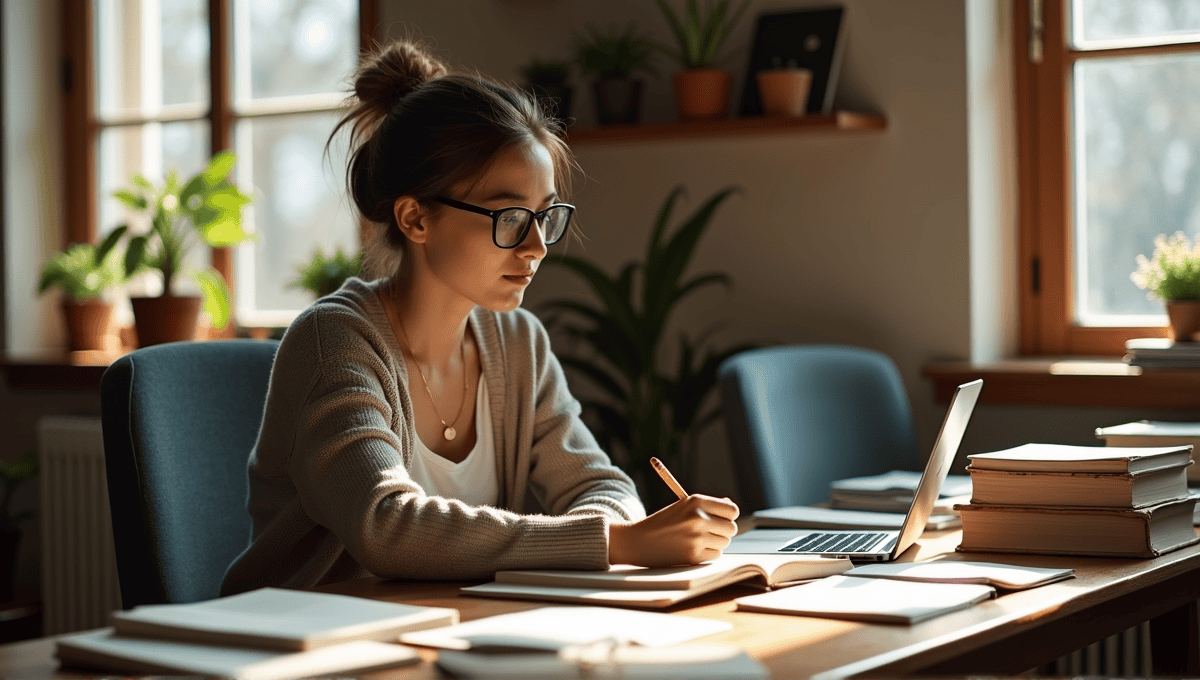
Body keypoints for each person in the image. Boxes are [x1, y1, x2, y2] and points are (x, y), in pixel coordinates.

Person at [220, 40, 739, 595]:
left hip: (451, 636)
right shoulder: (334, 341)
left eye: (545, 216)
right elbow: (385, 526)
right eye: (512, 216)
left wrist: (618, 525)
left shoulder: (518, 343)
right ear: (416, 218)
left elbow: (602, 485)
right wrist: (617, 543)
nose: (537, 246)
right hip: (310, 649)